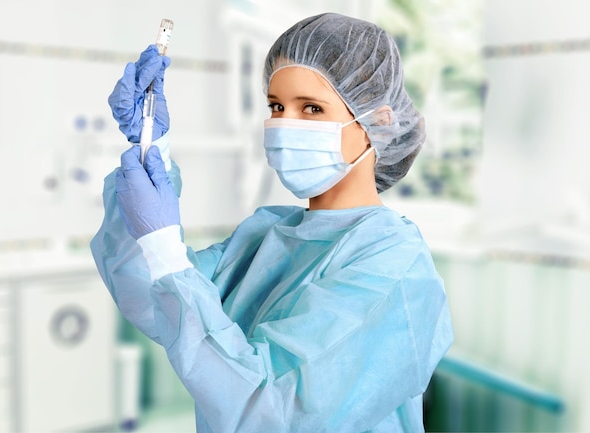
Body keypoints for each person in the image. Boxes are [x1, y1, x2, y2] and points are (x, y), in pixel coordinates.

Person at [91, 12, 453, 433]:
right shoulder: (267, 235)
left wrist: (166, 248)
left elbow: (275, 414)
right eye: (277, 106)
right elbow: (153, 297)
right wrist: (151, 149)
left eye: (312, 108)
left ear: (379, 121)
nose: (285, 125)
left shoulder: (393, 263)